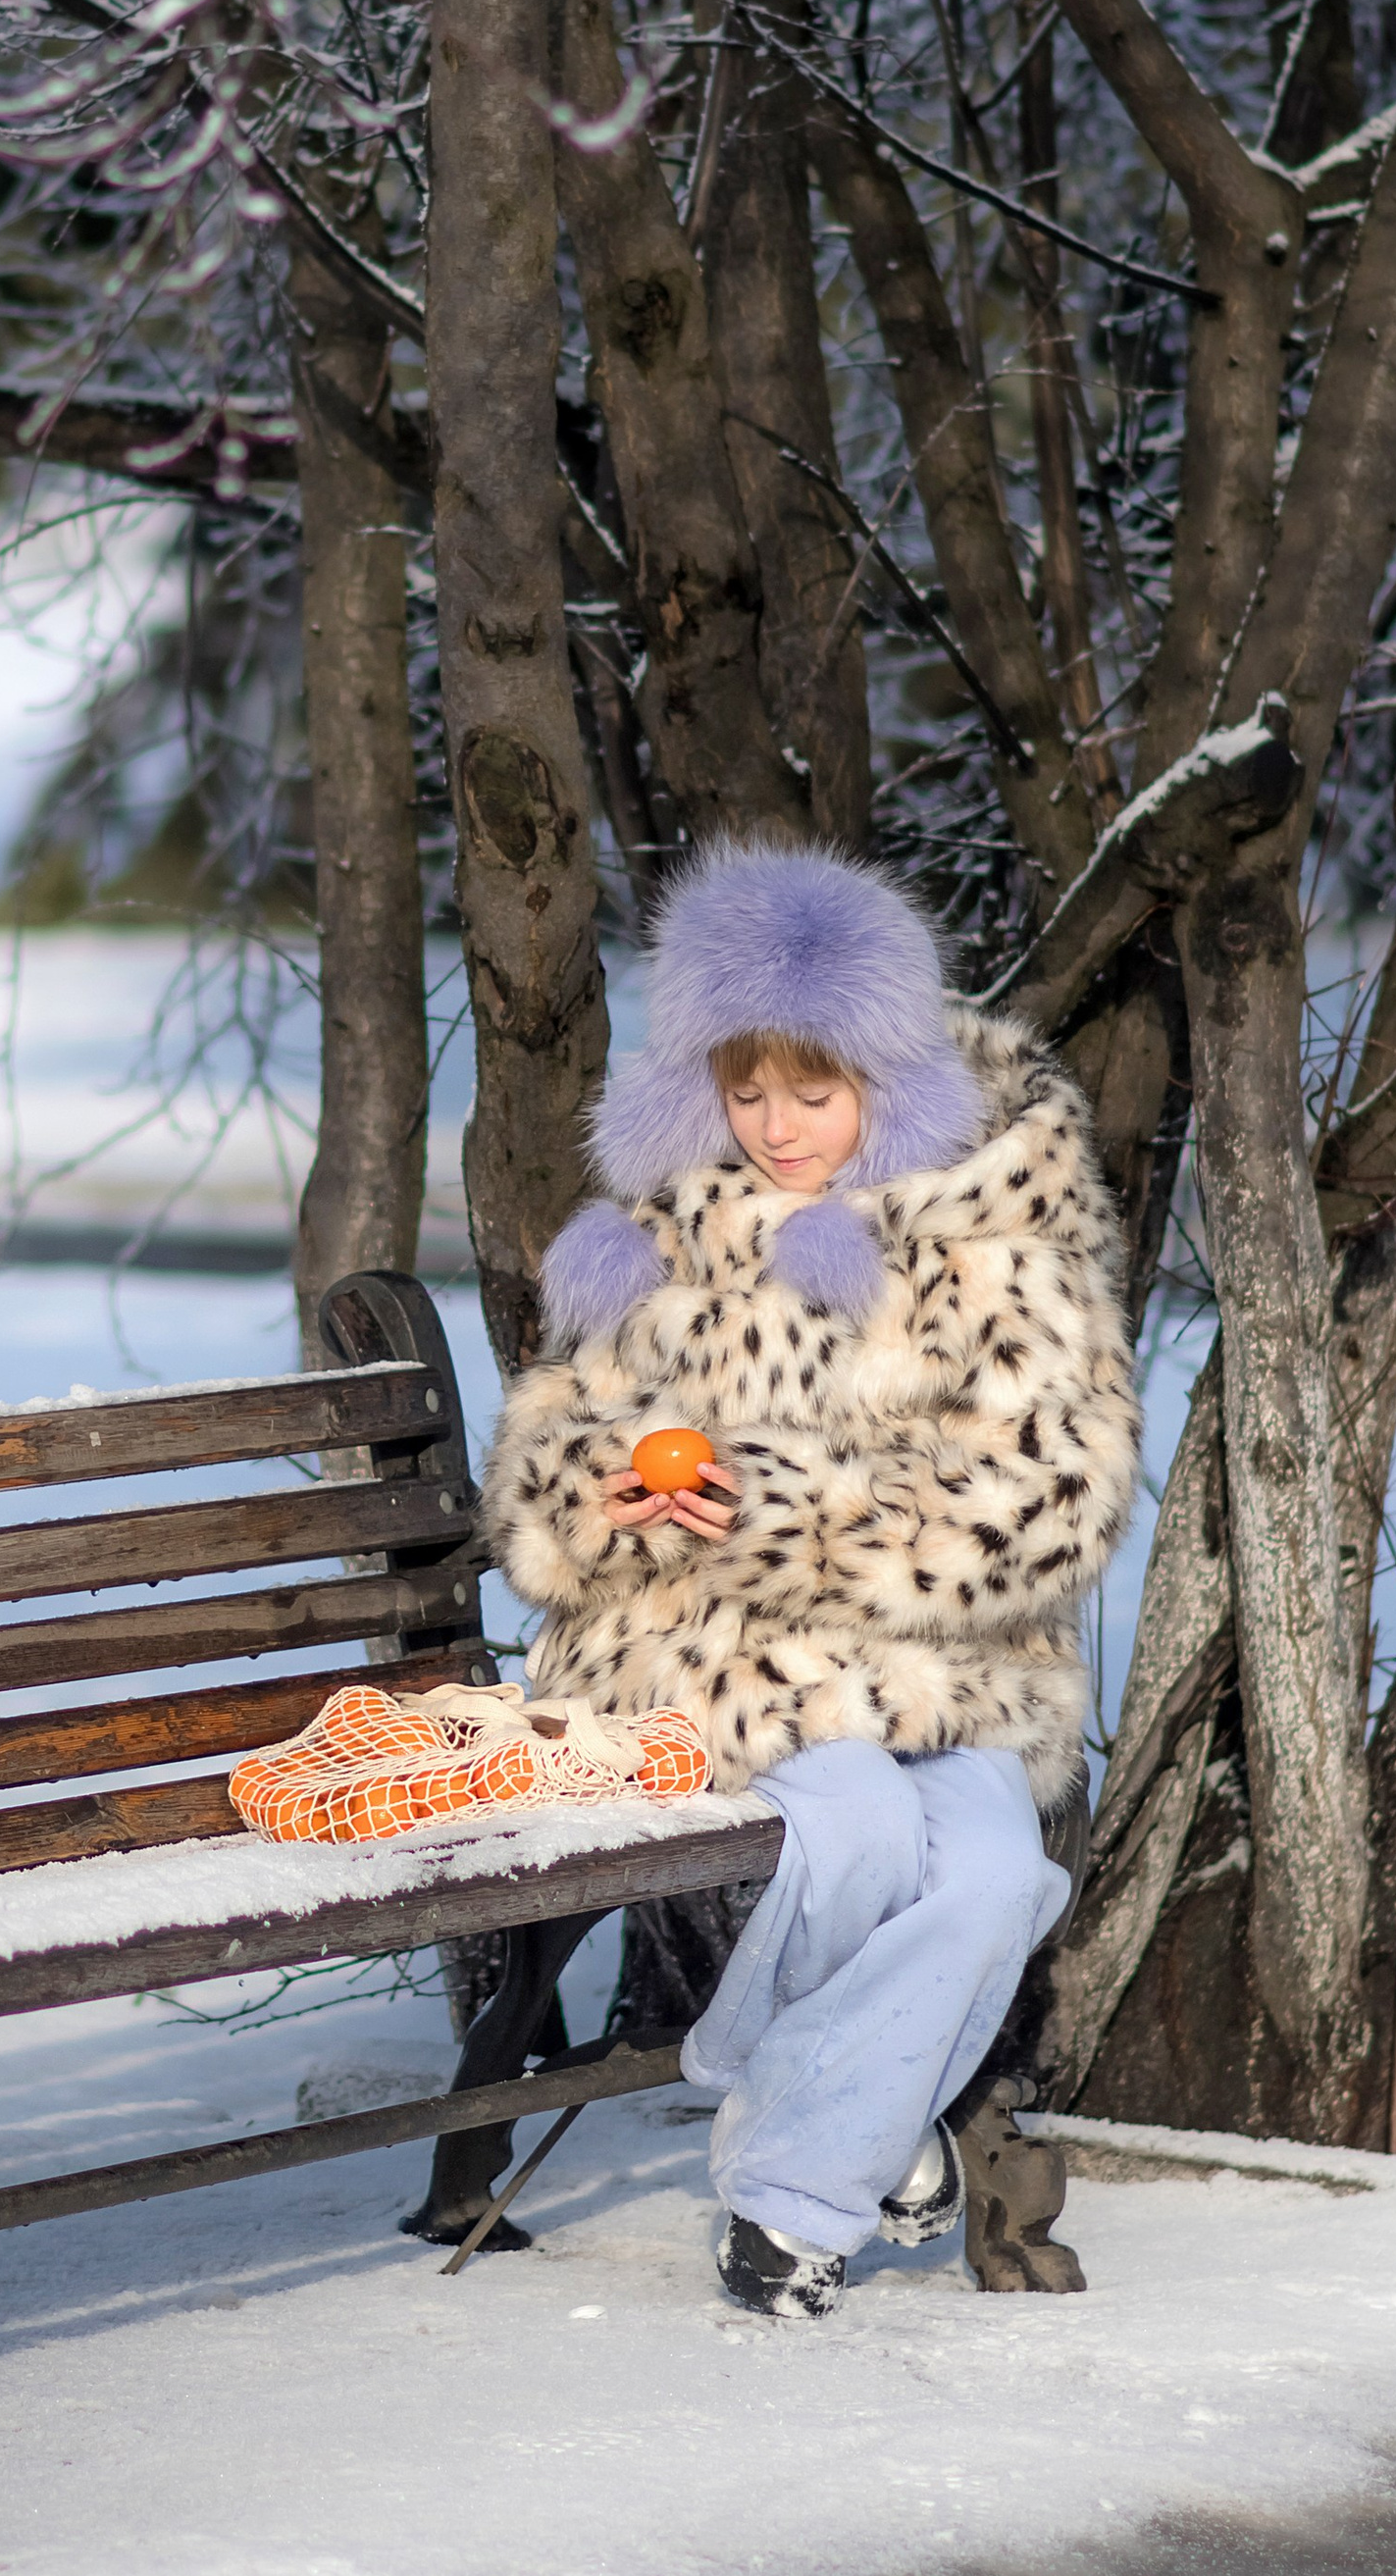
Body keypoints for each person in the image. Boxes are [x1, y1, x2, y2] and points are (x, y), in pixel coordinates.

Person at [482, 838, 1139, 2319]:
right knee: (840, 1836)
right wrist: (614, 1491)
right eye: (746, 1087)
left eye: (815, 1090)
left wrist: (783, 1511)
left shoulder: (998, 1230)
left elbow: (1054, 1492)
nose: (776, 1126)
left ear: (888, 1077)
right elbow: (540, 1475)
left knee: (993, 1873)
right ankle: (808, 2195)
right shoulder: (663, 1235)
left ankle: (806, 2118)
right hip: (705, 1661)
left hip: (939, 1675)